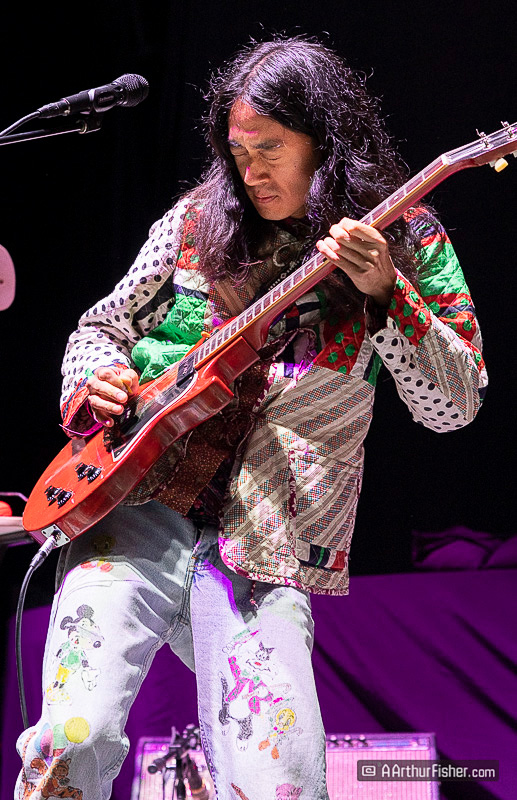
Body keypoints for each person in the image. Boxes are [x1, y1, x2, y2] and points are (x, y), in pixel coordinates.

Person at [15, 35, 487, 800]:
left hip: (265, 540)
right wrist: (95, 379)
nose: (250, 171)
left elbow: (454, 405)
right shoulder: (196, 221)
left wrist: (387, 293)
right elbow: (100, 328)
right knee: (75, 734)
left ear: (325, 144)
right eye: (237, 152)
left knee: (278, 777)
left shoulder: (407, 239)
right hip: (132, 501)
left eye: (270, 149)